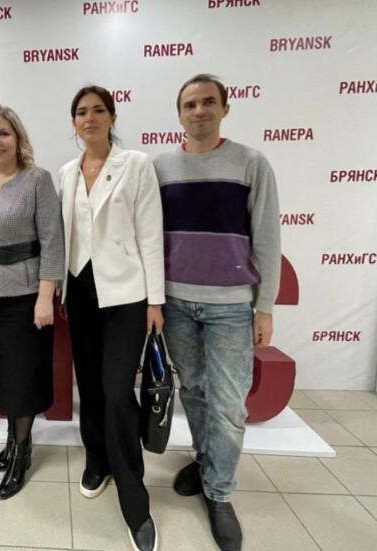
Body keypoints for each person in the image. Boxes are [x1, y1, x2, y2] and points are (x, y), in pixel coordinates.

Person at [153, 74, 280, 551]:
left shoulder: (251, 162)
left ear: (225, 108)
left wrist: (264, 307)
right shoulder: (161, 168)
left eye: (208, 102)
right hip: (176, 303)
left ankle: (220, 494)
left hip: (231, 307)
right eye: (189, 104)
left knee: (229, 406)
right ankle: (207, 462)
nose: (199, 110)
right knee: (195, 392)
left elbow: (267, 237)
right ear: (179, 114)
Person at [59, 86, 164, 551]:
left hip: (126, 295)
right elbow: (65, 235)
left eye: (98, 110)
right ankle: (97, 459)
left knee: (118, 390)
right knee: (89, 385)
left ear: (112, 116)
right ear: (74, 122)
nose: (90, 118)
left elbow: (151, 233)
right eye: (82, 112)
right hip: (80, 293)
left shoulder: (136, 164)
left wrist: (155, 301)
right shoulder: (66, 172)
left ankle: (134, 496)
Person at [0, 105, 65, 500]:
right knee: (1, 373)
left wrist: (45, 296)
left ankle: (22, 452)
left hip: (25, 296)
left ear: (17, 137)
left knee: (23, 376)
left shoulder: (37, 180)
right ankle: (12, 436)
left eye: (3, 133)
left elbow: (52, 240)